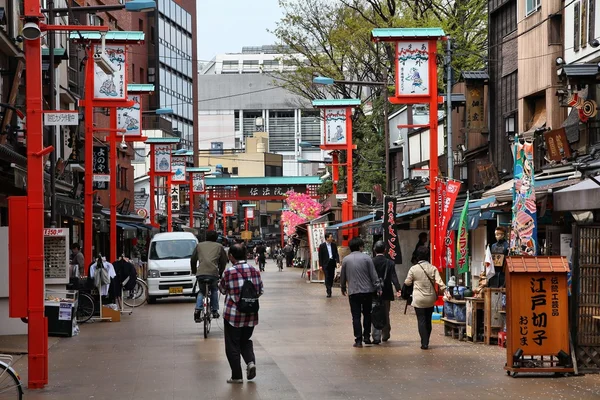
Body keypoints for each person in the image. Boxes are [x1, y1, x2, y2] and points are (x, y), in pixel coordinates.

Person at [219, 243, 264, 384]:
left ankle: (237, 376)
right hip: (251, 314)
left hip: (233, 315)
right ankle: (250, 362)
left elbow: (222, 289)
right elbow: (260, 291)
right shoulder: (255, 271)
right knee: (245, 340)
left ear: (231, 257)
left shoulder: (229, 272)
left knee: (232, 344)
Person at [340, 237, 382, 348]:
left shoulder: (346, 260)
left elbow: (343, 276)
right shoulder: (367, 258)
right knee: (367, 314)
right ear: (360, 247)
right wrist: (378, 287)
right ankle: (367, 337)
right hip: (367, 291)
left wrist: (343, 287)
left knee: (356, 316)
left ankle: (358, 340)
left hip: (353, 292)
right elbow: (374, 275)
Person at [404, 246, 446, 350]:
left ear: (417, 257)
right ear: (427, 256)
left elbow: (407, 282)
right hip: (430, 299)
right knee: (428, 320)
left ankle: (424, 342)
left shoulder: (413, 269)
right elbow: (440, 282)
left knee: (421, 320)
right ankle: (427, 339)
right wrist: (446, 291)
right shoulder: (433, 268)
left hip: (418, 299)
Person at [190, 230, 228, 321]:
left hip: (201, 273)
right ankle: (214, 311)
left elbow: (193, 260)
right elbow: (223, 261)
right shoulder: (219, 246)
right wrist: (220, 272)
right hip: (213, 273)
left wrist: (195, 271)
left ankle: (197, 311)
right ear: (216, 238)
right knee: (214, 289)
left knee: (202, 292)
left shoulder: (199, 245)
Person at [371, 241, 402, 344]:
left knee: (374, 312)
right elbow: (394, 277)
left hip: (374, 292)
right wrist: (398, 289)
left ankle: (376, 336)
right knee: (385, 312)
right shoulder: (390, 263)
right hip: (386, 292)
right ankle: (386, 334)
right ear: (385, 250)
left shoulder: (371, 262)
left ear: (374, 250)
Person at [318, 233, 340, 298]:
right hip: (325, 264)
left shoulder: (334, 245)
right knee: (327, 276)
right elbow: (320, 256)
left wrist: (337, 262)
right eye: (331, 237)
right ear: (327, 238)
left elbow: (336, 254)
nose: (332, 238)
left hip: (332, 263)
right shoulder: (322, 246)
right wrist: (320, 265)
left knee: (331, 276)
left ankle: (329, 286)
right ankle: (328, 291)